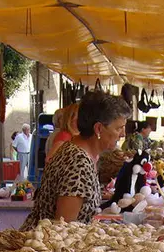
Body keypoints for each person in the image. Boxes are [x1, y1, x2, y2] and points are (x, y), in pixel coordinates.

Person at [21, 91, 130, 230]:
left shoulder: (79, 152)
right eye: (119, 128)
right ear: (98, 128)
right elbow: (63, 228)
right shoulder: (78, 163)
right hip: (45, 246)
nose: (123, 134)